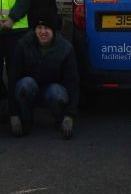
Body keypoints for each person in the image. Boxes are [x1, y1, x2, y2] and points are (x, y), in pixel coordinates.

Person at [7, 9, 80, 139]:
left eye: (47, 28)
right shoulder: (23, 45)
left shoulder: (66, 49)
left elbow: (73, 84)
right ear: (34, 30)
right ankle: (26, 120)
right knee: (24, 84)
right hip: (30, 89)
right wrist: (13, 114)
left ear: (54, 30)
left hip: (52, 90)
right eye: (39, 28)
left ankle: (61, 120)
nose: (43, 32)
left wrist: (70, 115)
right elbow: (13, 79)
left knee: (57, 93)